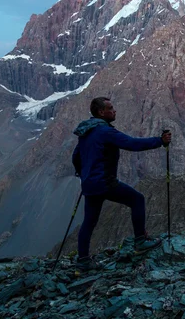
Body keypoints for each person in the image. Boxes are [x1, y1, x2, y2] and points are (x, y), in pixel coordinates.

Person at [72, 97, 172, 272]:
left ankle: (83, 260)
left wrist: (84, 173)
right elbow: (131, 143)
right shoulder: (104, 131)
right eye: (110, 108)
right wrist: (160, 141)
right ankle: (140, 240)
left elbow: (76, 156)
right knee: (137, 200)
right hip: (105, 182)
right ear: (101, 112)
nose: (114, 111)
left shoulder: (86, 131)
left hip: (89, 184)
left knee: (89, 222)